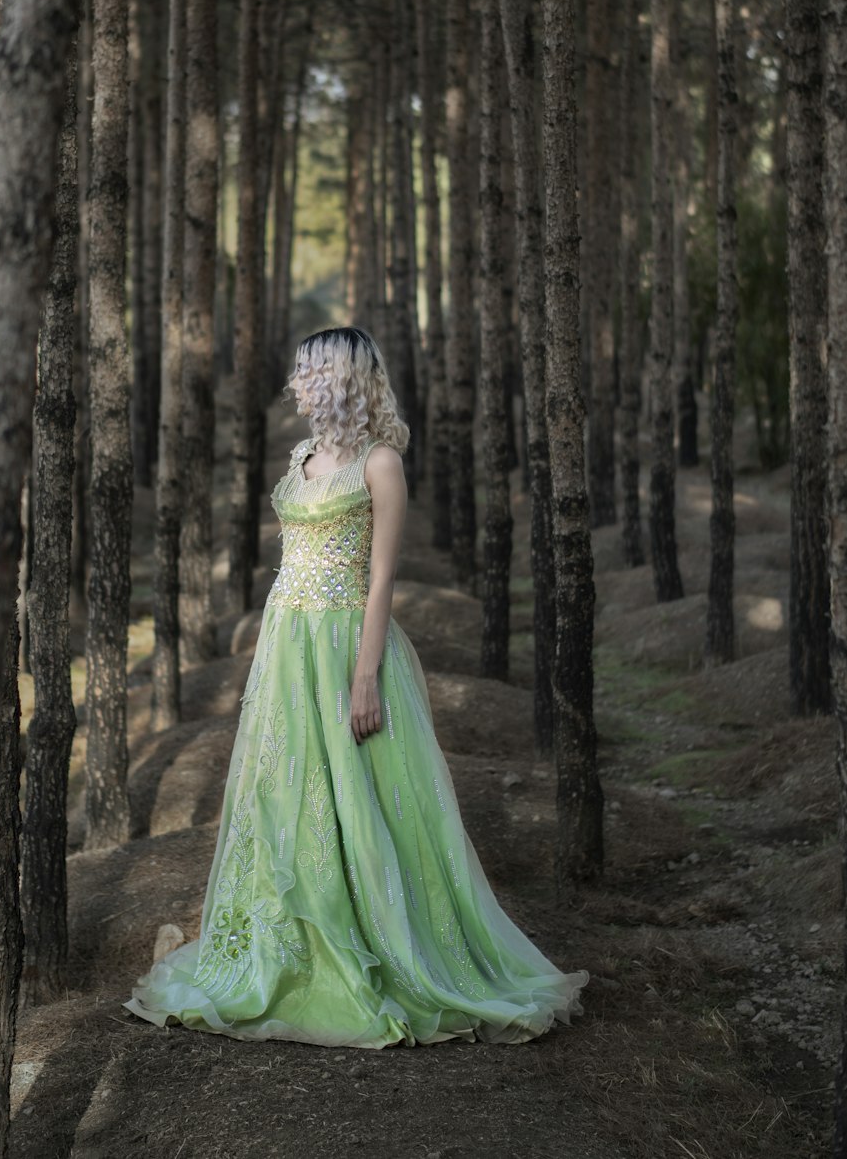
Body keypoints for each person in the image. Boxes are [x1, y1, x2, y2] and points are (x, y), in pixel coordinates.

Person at [124, 325, 587, 1046]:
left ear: (344, 379)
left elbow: (381, 579)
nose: (298, 385)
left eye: (311, 373)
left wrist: (365, 674)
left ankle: (385, 945)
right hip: (288, 644)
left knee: (368, 798)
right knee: (285, 792)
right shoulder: (302, 455)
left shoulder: (381, 464)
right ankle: (291, 941)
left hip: (347, 643)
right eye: (299, 373)